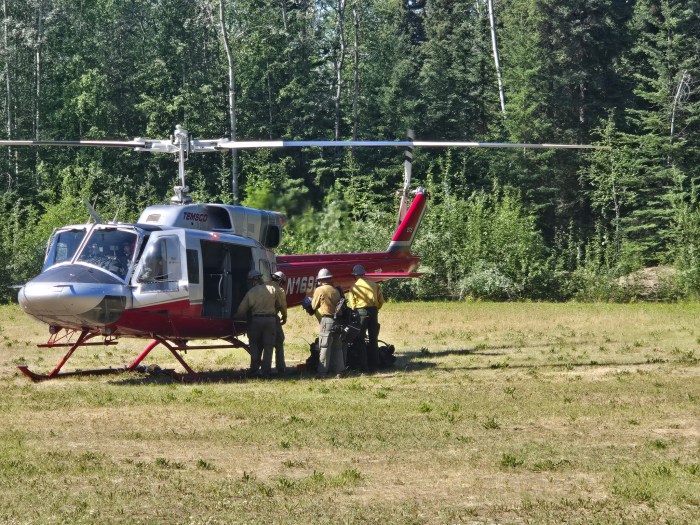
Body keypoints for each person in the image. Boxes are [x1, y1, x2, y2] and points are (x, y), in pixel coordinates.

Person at [235, 269, 281, 377]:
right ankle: (266, 372)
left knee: (255, 345)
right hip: (270, 321)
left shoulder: (251, 293)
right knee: (268, 346)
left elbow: (242, 310)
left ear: (252, 281)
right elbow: (279, 304)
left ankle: (254, 369)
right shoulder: (272, 289)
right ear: (260, 278)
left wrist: (236, 318)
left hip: (256, 321)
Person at [347, 264, 384, 372]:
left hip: (361, 312)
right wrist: (375, 310)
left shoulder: (354, 287)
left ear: (355, 276)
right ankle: (375, 365)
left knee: (360, 339)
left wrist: (357, 313)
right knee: (373, 339)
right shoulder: (374, 285)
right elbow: (381, 301)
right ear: (364, 274)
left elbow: (352, 304)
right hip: (374, 312)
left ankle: (364, 367)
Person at [310, 268, 344, 378]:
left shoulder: (320, 290)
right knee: (337, 347)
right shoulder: (336, 290)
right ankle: (339, 372)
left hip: (327, 320)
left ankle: (322, 372)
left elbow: (313, 306)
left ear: (320, 280)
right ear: (329, 279)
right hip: (338, 321)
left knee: (324, 346)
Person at [270, 270, 288, 375]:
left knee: (265, 344)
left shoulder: (264, 287)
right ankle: (281, 368)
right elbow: (283, 306)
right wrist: (284, 316)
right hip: (273, 318)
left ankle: (261, 368)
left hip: (257, 319)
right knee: (279, 342)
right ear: (281, 281)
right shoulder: (279, 290)